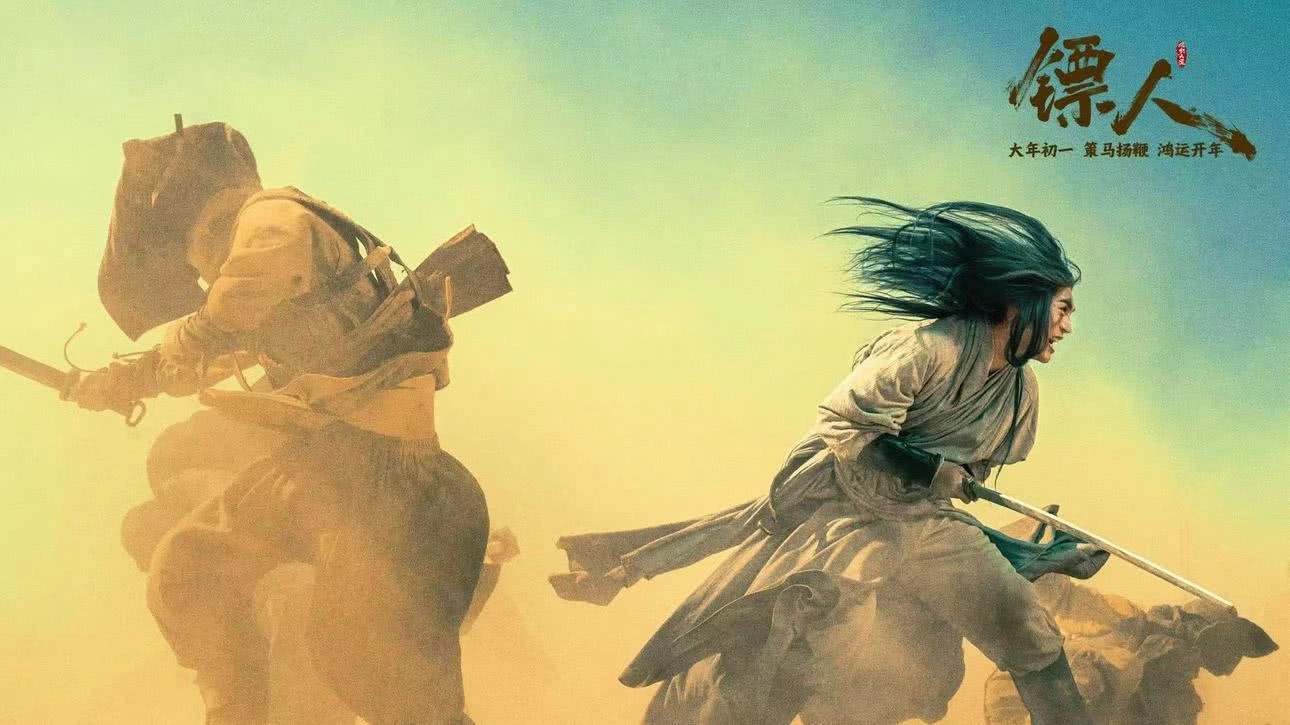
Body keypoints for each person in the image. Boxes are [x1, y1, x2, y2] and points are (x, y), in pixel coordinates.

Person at [552, 198, 1098, 725]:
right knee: (803, 629)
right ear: (1019, 304)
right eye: (1063, 308)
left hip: (928, 525)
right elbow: (844, 426)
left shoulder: (1022, 391)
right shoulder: (926, 349)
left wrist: (1041, 550)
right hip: (847, 518)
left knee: (1027, 629)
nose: (1068, 326)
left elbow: (966, 482)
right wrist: (930, 471)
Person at [68, 119, 490, 725]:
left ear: (206, 224)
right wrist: (123, 380)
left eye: (195, 261)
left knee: (381, 681)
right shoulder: (298, 271)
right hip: (346, 472)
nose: (201, 276)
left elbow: (228, 310)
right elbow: (212, 355)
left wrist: (173, 350)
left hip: (383, 485)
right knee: (189, 569)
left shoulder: (272, 221)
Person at [982, 512, 1278, 725]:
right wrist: (1030, 554)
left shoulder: (1177, 692)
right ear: (1196, 631)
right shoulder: (1128, 624)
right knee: (1104, 674)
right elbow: (1063, 599)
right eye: (1224, 649)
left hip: (1049, 701)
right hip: (1024, 700)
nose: (1223, 663)